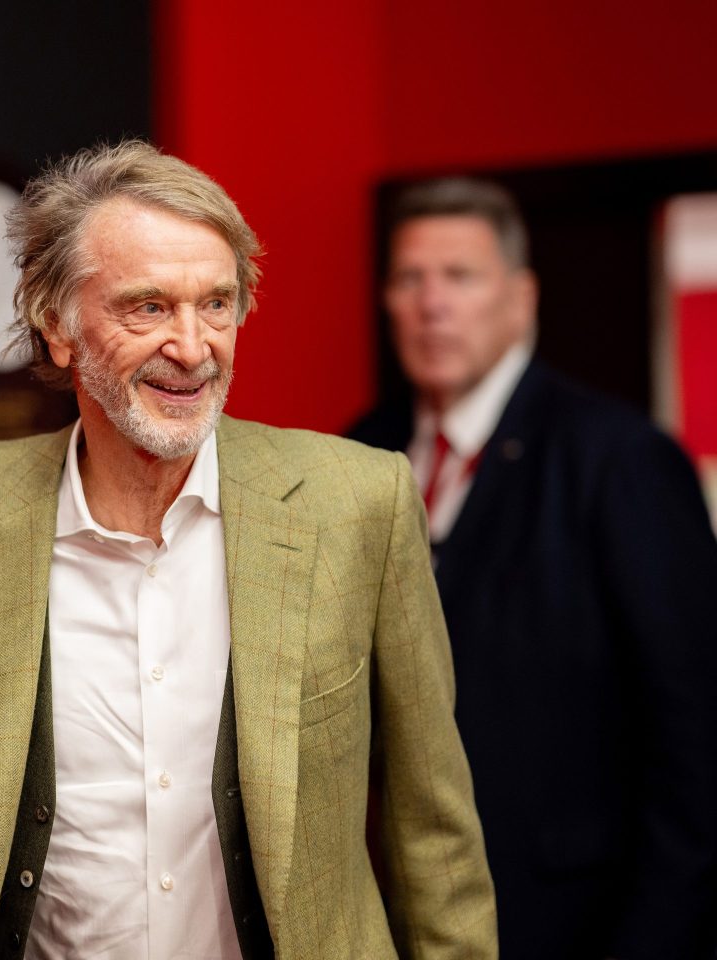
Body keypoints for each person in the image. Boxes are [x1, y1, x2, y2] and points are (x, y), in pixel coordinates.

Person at [0, 141, 496, 959]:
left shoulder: (357, 505)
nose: (192, 347)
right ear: (57, 325)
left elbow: (432, 834)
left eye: (217, 305)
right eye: (148, 307)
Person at [350, 178, 717, 959]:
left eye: (461, 277)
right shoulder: (358, 452)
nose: (432, 303)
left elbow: (696, 741)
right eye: (410, 278)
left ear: (521, 299)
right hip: (392, 916)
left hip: (573, 921)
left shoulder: (619, 460)